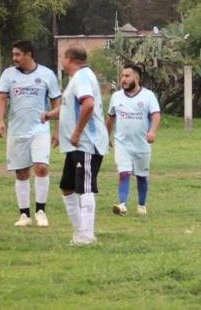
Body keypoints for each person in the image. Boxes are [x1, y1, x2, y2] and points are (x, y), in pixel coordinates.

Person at [42, 46, 109, 245]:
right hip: (74, 146)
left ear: (69, 58)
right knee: (67, 187)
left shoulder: (82, 77)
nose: (62, 60)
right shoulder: (77, 79)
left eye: (63, 57)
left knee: (85, 187)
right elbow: (68, 107)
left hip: (86, 143)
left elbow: (87, 104)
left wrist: (77, 132)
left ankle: (87, 236)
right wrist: (49, 115)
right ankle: (80, 232)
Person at [0, 40, 61, 227]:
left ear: (29, 54)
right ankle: (24, 214)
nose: (14, 58)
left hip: (39, 129)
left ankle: (41, 211)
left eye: (18, 54)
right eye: (13, 54)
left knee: (41, 167)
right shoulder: (8, 74)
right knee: (22, 172)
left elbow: (56, 103)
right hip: (17, 130)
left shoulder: (47, 74)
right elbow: (0, 98)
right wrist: (0, 121)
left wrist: (56, 129)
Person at [106, 63, 161, 216]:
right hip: (122, 144)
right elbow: (110, 118)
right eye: (122, 76)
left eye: (127, 76)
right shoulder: (116, 97)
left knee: (141, 177)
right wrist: (107, 136)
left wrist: (152, 131)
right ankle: (122, 204)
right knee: (123, 173)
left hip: (142, 144)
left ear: (136, 78)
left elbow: (155, 115)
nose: (123, 79)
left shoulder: (148, 96)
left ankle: (141, 205)